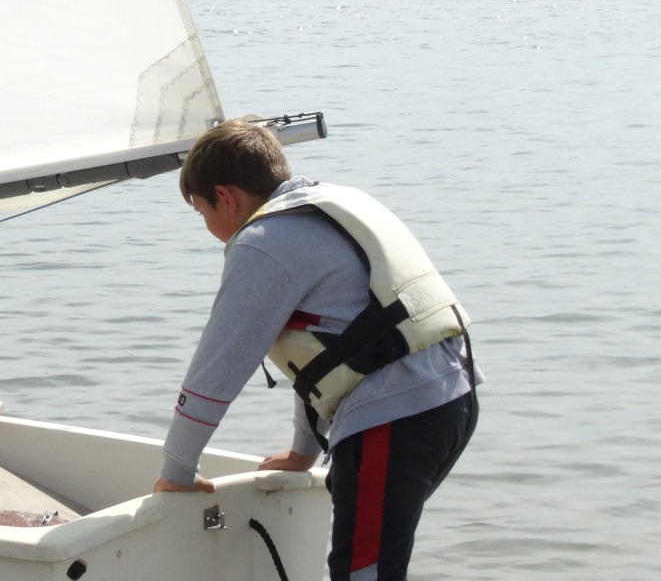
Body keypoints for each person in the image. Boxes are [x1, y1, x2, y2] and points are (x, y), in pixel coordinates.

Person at [153, 120, 478, 581]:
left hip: (394, 419)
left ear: (225, 197)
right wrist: (302, 452)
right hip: (453, 399)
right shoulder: (334, 205)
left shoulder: (263, 244)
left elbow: (217, 369)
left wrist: (177, 470)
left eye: (201, 211)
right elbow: (330, 351)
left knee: (364, 574)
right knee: (371, 565)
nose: (207, 226)